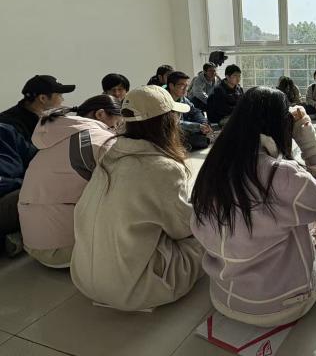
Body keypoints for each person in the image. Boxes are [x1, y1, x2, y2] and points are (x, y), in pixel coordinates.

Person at [191, 87, 316, 327]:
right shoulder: (280, 173)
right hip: (280, 305)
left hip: (223, 295)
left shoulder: (214, 165)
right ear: (280, 124)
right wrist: (309, 144)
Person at [71, 85, 204, 311]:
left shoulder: (108, 156)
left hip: (84, 278)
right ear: (167, 122)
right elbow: (183, 229)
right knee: (209, 232)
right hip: (133, 289)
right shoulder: (163, 168)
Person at [18, 95, 121, 268]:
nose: (116, 131)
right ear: (100, 114)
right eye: (116, 124)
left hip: (33, 245)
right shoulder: (99, 138)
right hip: (66, 249)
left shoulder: (53, 136)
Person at [0, 75, 74, 256]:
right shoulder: (10, 126)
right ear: (42, 98)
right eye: (59, 95)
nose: (63, 100)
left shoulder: (35, 123)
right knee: (52, 190)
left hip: (17, 188)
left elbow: (37, 158)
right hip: (8, 195)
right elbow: (6, 179)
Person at [166, 71, 212, 151]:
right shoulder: (164, 100)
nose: (185, 90)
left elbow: (195, 111)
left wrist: (203, 123)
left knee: (203, 131)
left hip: (183, 131)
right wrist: (198, 126)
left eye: (186, 86)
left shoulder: (183, 98)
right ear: (171, 86)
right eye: (182, 86)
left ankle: (185, 144)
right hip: (170, 132)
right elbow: (175, 123)